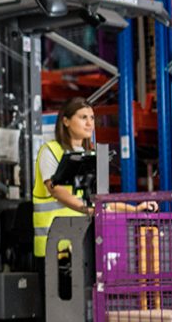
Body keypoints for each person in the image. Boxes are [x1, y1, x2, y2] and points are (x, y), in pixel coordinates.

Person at [33, 97, 154, 258]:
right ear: (66, 121)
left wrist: (135, 209)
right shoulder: (50, 151)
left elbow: (101, 201)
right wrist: (90, 210)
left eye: (92, 118)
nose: (90, 123)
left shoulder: (92, 156)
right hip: (55, 251)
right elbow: (57, 191)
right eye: (83, 117)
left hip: (84, 246)